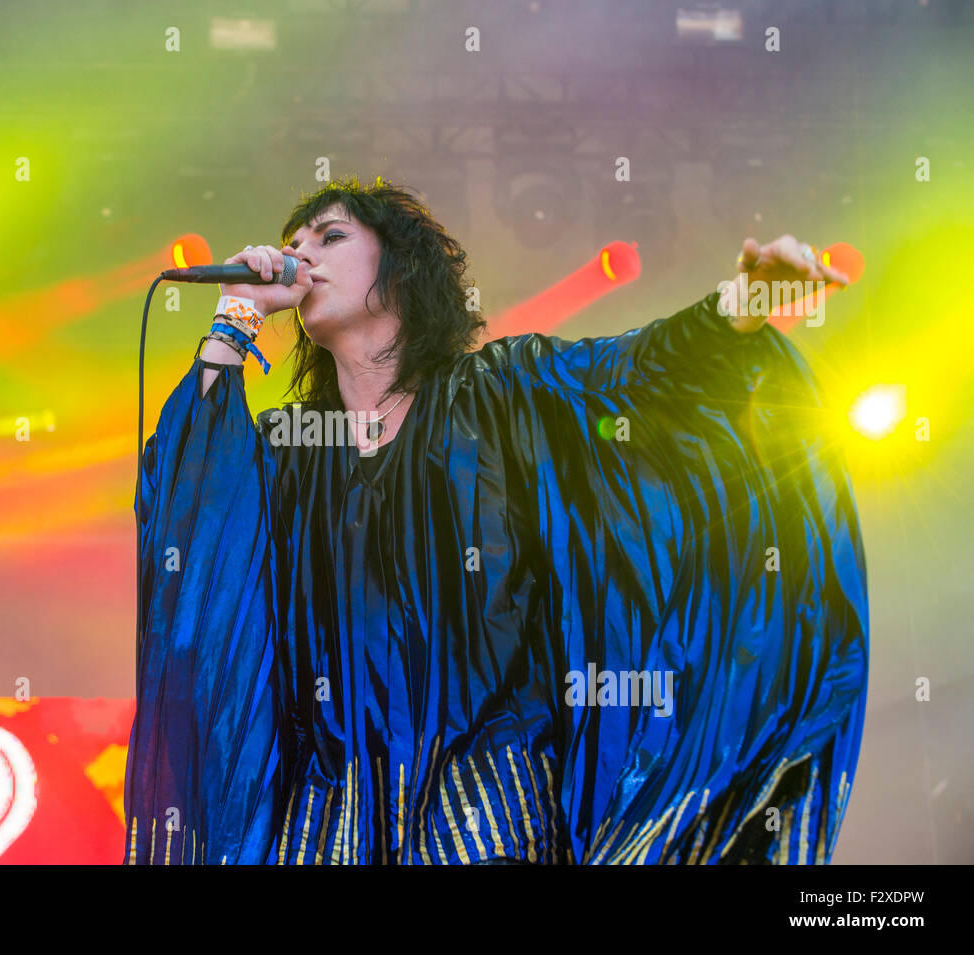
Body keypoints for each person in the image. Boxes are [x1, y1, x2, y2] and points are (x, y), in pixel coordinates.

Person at [123, 177, 868, 865]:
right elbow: (193, 515)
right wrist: (235, 320)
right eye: (292, 246)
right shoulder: (291, 454)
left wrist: (738, 304)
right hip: (329, 816)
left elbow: (641, 370)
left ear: (401, 268)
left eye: (329, 237)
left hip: (483, 804)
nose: (299, 256)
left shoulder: (501, 392)